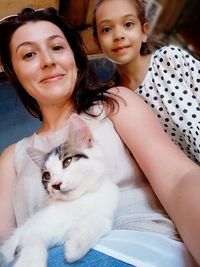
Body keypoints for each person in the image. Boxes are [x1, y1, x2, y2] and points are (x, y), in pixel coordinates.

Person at [0, 6, 200, 267]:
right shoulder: (12, 157)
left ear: (74, 56)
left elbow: (178, 179)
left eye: (57, 47)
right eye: (28, 54)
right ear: (15, 73)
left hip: (131, 248)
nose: (48, 61)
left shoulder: (114, 104)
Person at [92, 0, 200, 164]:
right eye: (106, 29)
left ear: (144, 31)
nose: (119, 35)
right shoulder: (114, 102)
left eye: (128, 24)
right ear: (97, 42)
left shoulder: (170, 59)